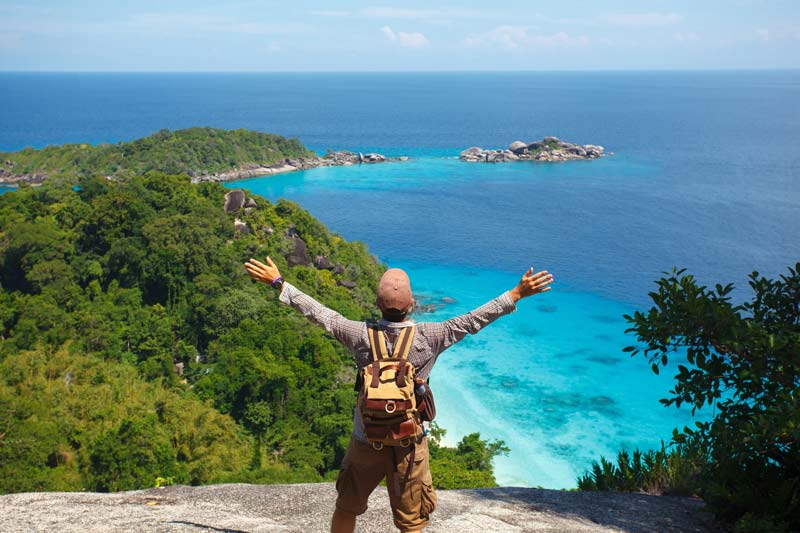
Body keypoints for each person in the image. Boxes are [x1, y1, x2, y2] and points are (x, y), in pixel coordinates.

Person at [244, 257, 554, 533]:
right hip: (409, 443)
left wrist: (279, 282)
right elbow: (474, 320)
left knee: (347, 507)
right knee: (412, 521)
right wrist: (516, 293)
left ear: (378, 305)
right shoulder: (432, 335)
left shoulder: (358, 333)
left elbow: (321, 314)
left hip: (366, 438)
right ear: (411, 306)